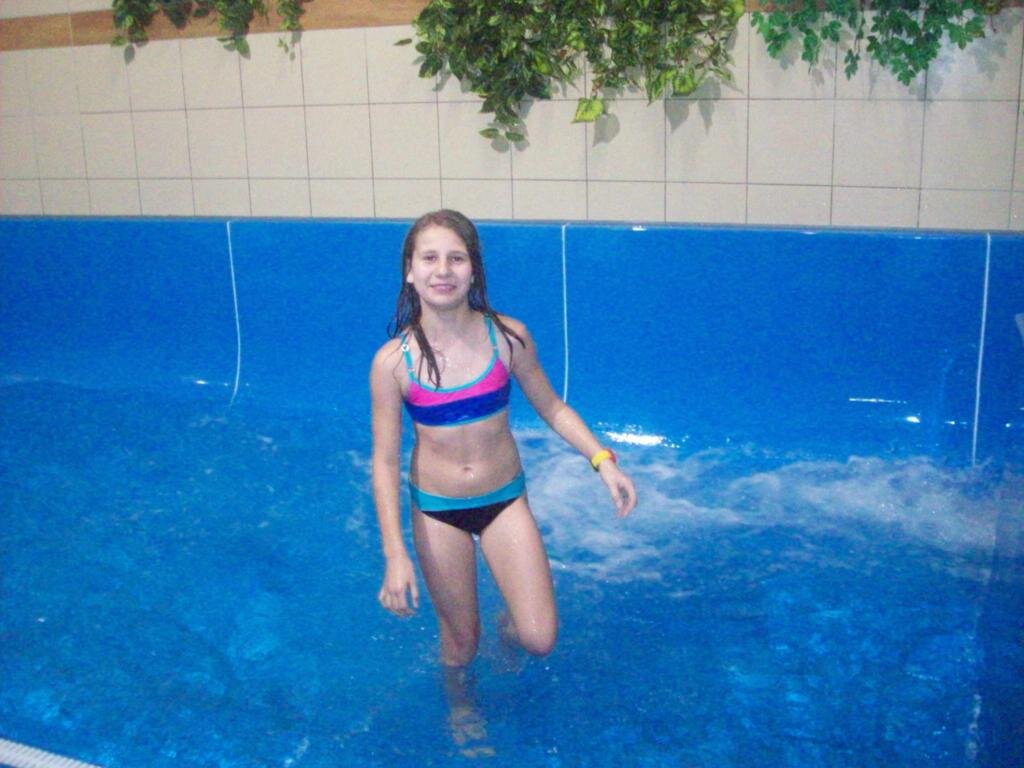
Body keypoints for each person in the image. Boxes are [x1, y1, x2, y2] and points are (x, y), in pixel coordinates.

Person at [369, 208, 637, 676]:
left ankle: (507, 631)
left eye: (456, 258)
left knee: (538, 638)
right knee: (461, 644)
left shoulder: (508, 338)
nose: (443, 270)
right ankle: (460, 705)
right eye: (429, 258)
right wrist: (395, 554)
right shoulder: (393, 363)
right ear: (409, 271)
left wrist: (602, 460)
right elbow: (385, 462)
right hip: (437, 511)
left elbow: (552, 407)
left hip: (504, 500)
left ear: (473, 270)